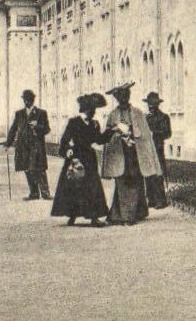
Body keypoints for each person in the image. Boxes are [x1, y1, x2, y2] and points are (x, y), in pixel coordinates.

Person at [101, 82, 161, 224]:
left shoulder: (138, 114)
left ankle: (131, 214)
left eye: (126, 96)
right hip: (120, 154)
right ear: (117, 98)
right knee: (121, 182)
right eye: (121, 97)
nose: (123, 99)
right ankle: (120, 214)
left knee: (135, 181)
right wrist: (117, 133)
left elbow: (146, 137)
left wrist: (133, 134)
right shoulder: (112, 115)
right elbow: (107, 138)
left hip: (135, 154)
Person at [51, 93, 110, 226]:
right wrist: (67, 150)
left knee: (92, 186)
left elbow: (99, 140)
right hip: (76, 158)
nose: (94, 113)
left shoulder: (95, 124)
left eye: (94, 110)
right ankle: (72, 215)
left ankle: (94, 217)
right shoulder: (74, 122)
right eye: (92, 110)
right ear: (85, 109)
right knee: (74, 186)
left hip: (89, 157)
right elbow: (64, 140)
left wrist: (110, 132)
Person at [5, 89, 52, 200]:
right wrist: (8, 143)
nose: (27, 101)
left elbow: (47, 129)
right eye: (25, 99)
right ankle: (34, 193)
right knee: (27, 168)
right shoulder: (19, 113)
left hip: (37, 146)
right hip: (23, 146)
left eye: (29, 99)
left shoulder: (41, 113)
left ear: (33, 99)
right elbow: (13, 129)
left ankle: (45, 193)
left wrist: (37, 126)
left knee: (39, 169)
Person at [143, 92, 172, 209]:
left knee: (158, 174)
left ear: (157, 105)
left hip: (158, 147)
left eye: (153, 104)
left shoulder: (164, 117)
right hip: (147, 149)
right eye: (149, 104)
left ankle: (161, 200)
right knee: (148, 174)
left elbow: (167, 133)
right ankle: (151, 199)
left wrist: (155, 133)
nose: (151, 107)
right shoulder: (146, 118)